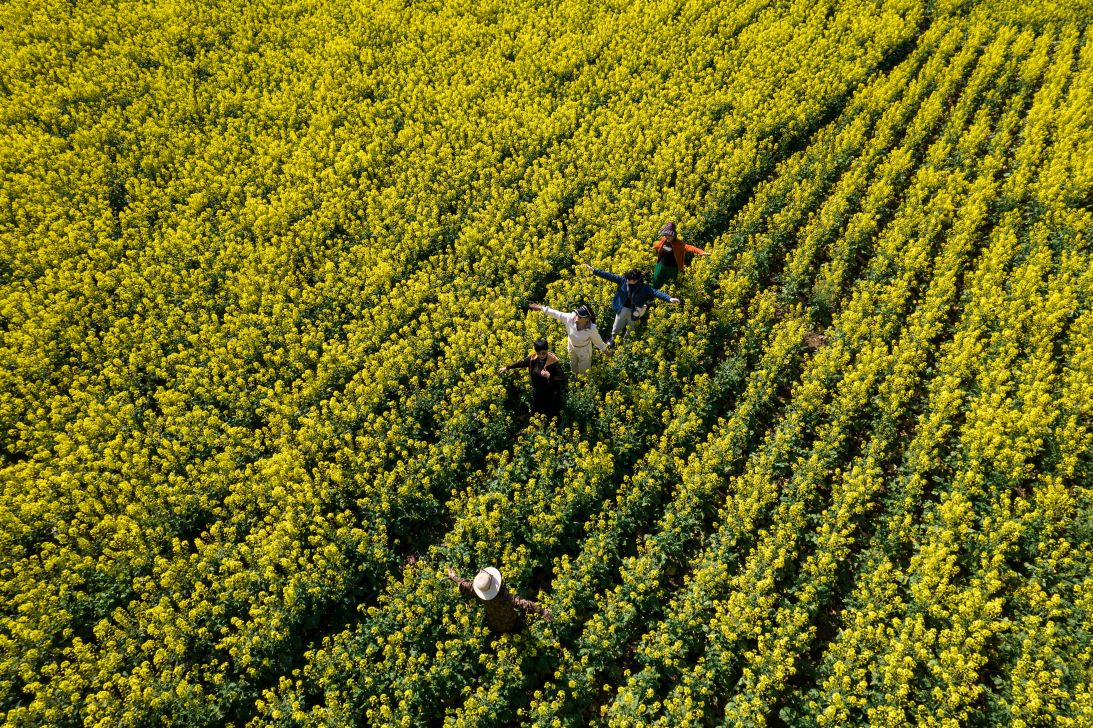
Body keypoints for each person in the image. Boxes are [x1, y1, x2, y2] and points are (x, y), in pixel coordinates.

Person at [582, 264, 680, 347]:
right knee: (616, 326)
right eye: (627, 278)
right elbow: (609, 276)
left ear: (636, 280)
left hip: (635, 311)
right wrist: (594, 270)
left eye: (630, 280)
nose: (627, 280)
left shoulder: (644, 287)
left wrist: (669, 298)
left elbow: (656, 292)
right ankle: (613, 338)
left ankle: (626, 343)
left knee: (631, 327)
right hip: (622, 308)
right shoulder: (623, 280)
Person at [445, 566, 552, 634]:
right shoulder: (502, 595)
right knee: (516, 629)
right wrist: (542, 611)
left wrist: (453, 577)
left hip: (493, 621)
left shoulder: (478, 590)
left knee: (498, 630)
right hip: (509, 621)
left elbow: (465, 584)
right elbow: (522, 603)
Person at [528, 303, 608, 375]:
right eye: (577, 315)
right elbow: (556, 313)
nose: (576, 318)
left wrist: (605, 351)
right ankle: (576, 381)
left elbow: (598, 341)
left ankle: (585, 384)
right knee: (573, 366)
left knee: (585, 370)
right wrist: (541, 308)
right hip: (572, 346)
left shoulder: (591, 328)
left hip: (584, 349)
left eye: (580, 317)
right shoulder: (569, 318)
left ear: (587, 319)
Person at [498, 338, 565, 418]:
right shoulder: (533, 359)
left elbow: (562, 377)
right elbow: (521, 363)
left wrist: (549, 376)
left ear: (547, 350)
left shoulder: (553, 361)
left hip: (550, 392)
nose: (541, 355)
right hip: (537, 390)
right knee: (537, 409)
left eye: (544, 353)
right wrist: (507, 367)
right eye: (539, 353)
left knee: (550, 412)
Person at [651, 221, 708, 289]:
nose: (667, 236)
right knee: (655, 282)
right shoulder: (664, 239)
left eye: (669, 235)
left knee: (668, 286)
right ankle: (651, 297)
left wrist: (701, 252)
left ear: (674, 235)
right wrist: (653, 248)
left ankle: (666, 299)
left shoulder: (679, 244)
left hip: (672, 269)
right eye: (666, 234)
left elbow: (690, 247)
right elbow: (659, 244)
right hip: (660, 266)